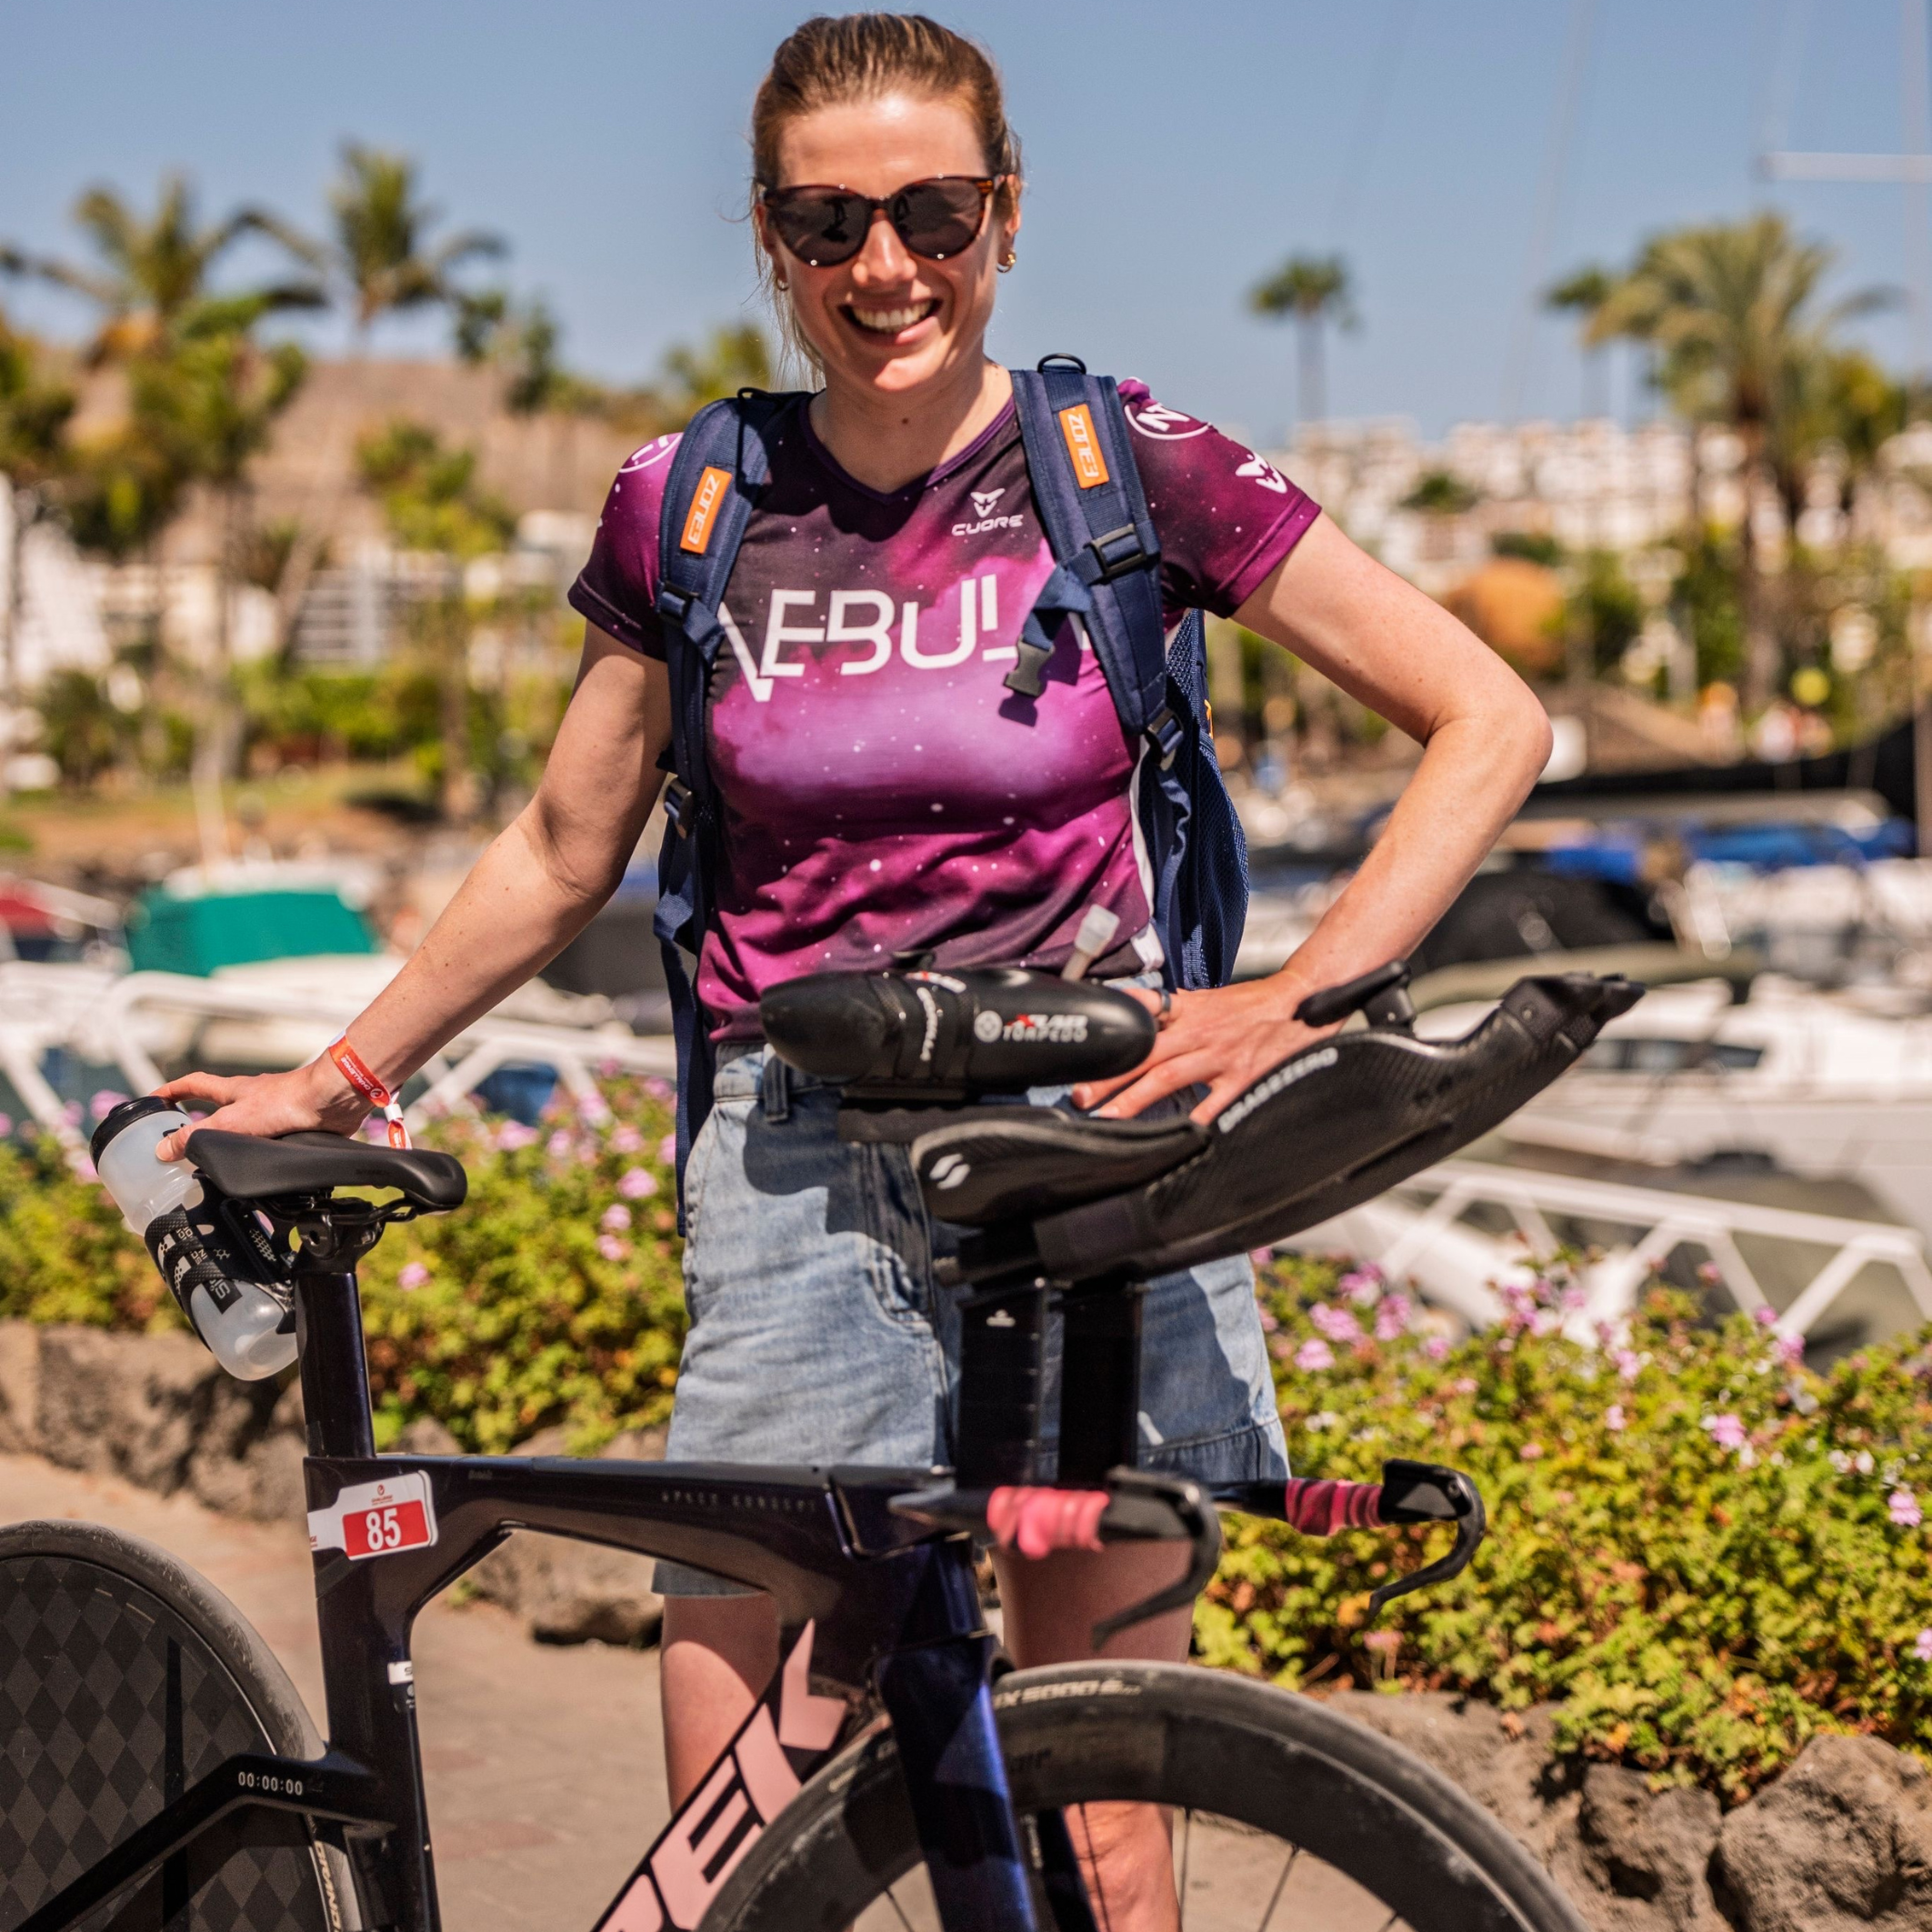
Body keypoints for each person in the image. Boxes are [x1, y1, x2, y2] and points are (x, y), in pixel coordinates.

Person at [155, 15, 1551, 1925]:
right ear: (768, 235)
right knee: (736, 1819)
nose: (884, 266)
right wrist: (338, 1075)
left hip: (1105, 1164)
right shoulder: (695, 500)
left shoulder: (1121, 462)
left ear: (1003, 213)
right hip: (798, 1175)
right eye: (829, 222)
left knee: (1107, 1831)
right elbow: (569, 846)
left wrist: (1288, 1002)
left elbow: (1488, 718)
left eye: (931, 210)